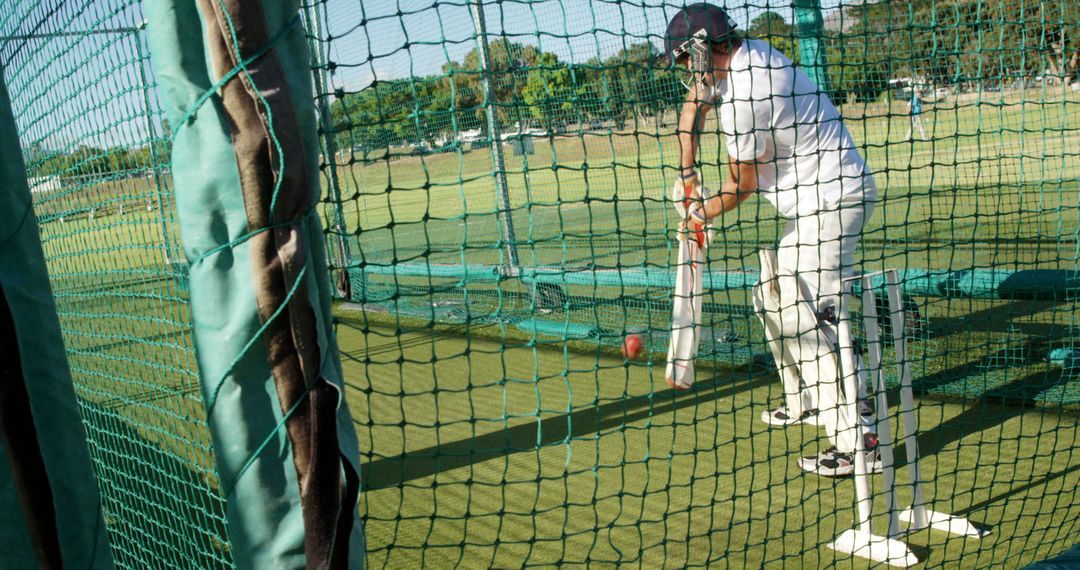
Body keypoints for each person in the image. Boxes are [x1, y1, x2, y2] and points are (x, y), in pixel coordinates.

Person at [664, 3, 879, 476]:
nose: (685, 73)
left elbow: (741, 185)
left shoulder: (747, 94)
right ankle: (804, 400)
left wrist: (699, 212)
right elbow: (692, 109)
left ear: (701, 49)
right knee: (770, 295)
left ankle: (857, 440)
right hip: (818, 204)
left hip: (833, 201)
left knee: (806, 318)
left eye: (684, 61)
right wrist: (687, 170)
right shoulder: (746, 57)